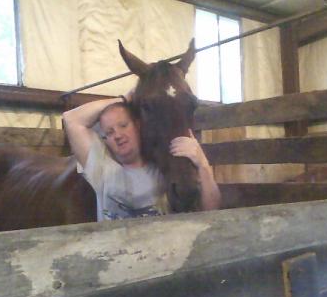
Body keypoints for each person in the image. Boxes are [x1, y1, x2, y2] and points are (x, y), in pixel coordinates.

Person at [63, 93, 221, 221]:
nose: (117, 135)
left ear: (137, 125)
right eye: (110, 132)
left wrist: (203, 164)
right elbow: (71, 119)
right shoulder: (101, 169)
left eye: (123, 125)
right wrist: (125, 99)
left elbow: (211, 209)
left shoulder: (164, 170)